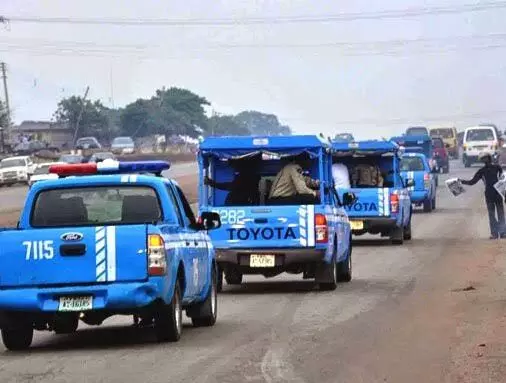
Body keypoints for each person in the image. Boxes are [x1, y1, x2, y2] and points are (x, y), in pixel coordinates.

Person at [459, 152, 505, 239]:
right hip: (496, 194)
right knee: (499, 213)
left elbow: (471, 182)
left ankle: (496, 234)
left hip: (491, 195)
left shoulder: (483, 171)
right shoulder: (496, 168)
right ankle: (502, 233)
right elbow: (503, 180)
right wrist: (460, 181)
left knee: (493, 214)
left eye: (484, 159)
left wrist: (461, 181)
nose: (484, 160)